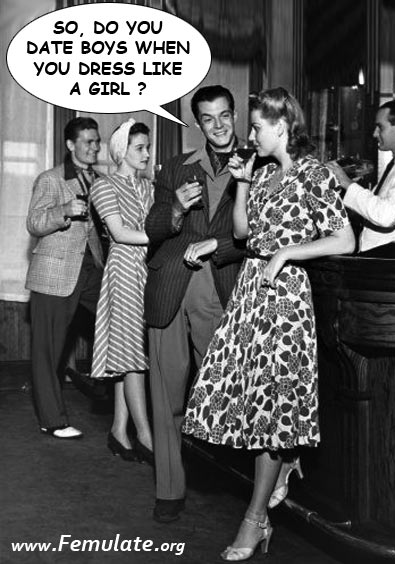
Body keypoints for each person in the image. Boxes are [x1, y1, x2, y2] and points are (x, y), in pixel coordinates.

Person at [182, 87, 355, 561]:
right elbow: (242, 233)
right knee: (244, 400)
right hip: (250, 293)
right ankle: (284, 463)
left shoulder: (314, 173)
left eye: (257, 126)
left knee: (270, 408)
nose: (251, 135)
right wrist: (242, 182)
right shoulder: (261, 172)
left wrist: (288, 252)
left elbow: (345, 239)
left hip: (285, 300)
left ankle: (255, 520)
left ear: (281, 126)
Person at [144, 85, 247, 523]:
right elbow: (152, 227)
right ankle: (169, 489)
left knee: (227, 391)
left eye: (224, 115)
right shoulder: (177, 166)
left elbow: (264, 233)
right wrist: (175, 210)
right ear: (198, 123)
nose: (218, 125)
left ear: (235, 115)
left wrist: (217, 245)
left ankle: (247, 485)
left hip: (221, 289)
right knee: (166, 394)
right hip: (170, 287)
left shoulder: (257, 165)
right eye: (208, 118)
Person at [26, 117, 104, 439]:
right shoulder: (51, 179)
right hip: (54, 272)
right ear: (71, 145)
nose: (94, 147)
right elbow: (34, 222)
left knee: (118, 323)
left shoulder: (99, 180)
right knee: (48, 351)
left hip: (92, 270)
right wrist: (63, 211)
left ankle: (111, 394)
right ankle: (52, 420)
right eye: (88, 141)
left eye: (97, 141)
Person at [90, 119, 154, 464]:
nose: (147, 153)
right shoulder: (104, 186)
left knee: (126, 352)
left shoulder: (149, 187)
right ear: (121, 150)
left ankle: (118, 430)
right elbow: (119, 233)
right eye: (139, 148)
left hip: (147, 269)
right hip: (125, 270)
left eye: (148, 147)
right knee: (133, 355)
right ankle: (144, 435)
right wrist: (161, 234)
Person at [328, 99, 395, 257]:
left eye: (380, 127)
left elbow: (386, 215)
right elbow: (375, 211)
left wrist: (348, 184)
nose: (374, 134)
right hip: (384, 259)